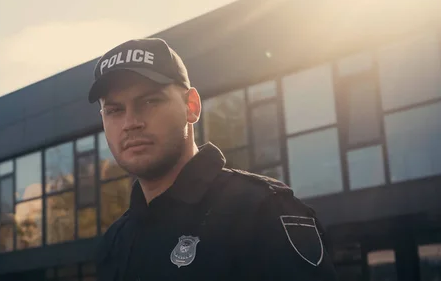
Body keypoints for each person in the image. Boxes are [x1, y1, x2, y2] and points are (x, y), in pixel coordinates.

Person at [88, 38, 338, 281]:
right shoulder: (115, 242)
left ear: (192, 106)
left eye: (150, 101)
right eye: (114, 110)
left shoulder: (262, 212)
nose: (131, 123)